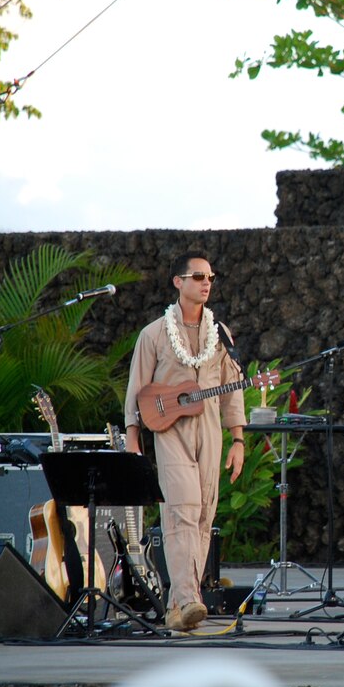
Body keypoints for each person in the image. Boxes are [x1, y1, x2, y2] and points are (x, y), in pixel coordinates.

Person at [124, 252, 246, 631]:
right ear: (178, 282)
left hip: (210, 429)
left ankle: (177, 608)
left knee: (204, 512)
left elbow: (233, 388)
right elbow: (137, 388)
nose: (206, 282)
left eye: (210, 276)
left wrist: (238, 439)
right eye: (198, 276)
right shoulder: (154, 333)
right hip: (170, 431)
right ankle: (190, 598)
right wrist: (132, 436)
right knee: (182, 510)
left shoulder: (220, 333)